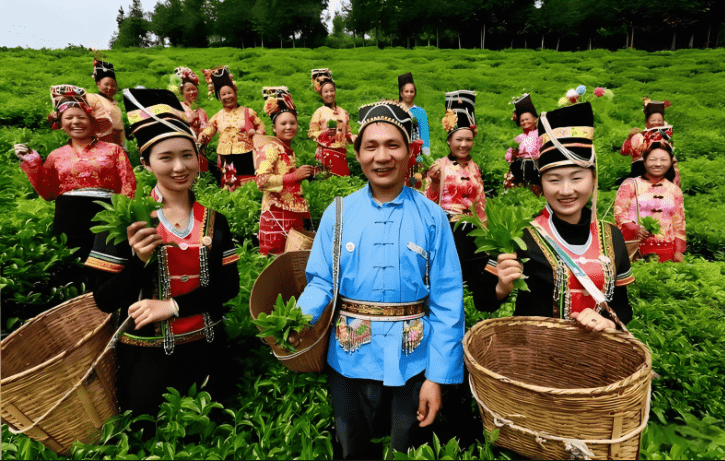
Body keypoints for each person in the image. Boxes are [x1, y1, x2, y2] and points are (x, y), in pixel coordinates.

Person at [297, 100, 465, 459]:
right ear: (357, 154)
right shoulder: (338, 213)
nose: (382, 156)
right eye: (371, 146)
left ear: (409, 153)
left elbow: (447, 301)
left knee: (406, 449)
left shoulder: (433, 216)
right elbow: (321, 282)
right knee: (351, 446)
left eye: (393, 145)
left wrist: (436, 377)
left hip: (414, 362)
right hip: (348, 359)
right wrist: (296, 320)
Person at [85, 89, 240, 421]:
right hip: (148, 360)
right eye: (165, 157)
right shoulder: (125, 218)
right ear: (145, 162)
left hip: (209, 353)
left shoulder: (215, 220)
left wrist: (172, 306)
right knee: (150, 434)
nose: (179, 167)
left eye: (188, 155)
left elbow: (228, 288)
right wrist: (138, 261)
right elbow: (104, 300)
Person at [481, 102, 634, 330]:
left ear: (593, 178)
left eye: (576, 178)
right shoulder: (521, 234)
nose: (565, 190)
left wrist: (609, 322)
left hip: (596, 358)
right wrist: (502, 287)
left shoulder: (612, 236)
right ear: (541, 184)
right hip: (535, 357)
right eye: (553, 180)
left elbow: (622, 305)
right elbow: (484, 302)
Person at [15, 85, 135, 263]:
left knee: (107, 266)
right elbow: (48, 194)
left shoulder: (114, 150)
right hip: (67, 219)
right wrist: (33, 163)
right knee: (74, 267)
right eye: (69, 118)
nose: (76, 122)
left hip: (107, 217)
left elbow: (128, 186)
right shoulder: (56, 155)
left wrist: (123, 218)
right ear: (61, 124)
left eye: (81, 117)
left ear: (92, 121)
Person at [425, 90, 488, 304]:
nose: (464, 144)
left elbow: (481, 202)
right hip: (448, 229)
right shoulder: (439, 166)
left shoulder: (475, 167)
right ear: (449, 140)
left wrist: (485, 231)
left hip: (471, 230)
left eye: (468, 139)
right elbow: (429, 201)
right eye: (459, 139)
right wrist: (433, 182)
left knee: (471, 280)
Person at [254, 87, 313, 255]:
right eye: (283, 124)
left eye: (292, 123)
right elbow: (261, 181)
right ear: (274, 127)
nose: (289, 127)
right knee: (279, 265)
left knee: (294, 264)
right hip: (275, 216)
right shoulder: (270, 148)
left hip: (292, 214)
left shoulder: (286, 150)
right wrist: (295, 176)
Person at [614, 141, 685, 263]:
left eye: (663, 160)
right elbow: (619, 213)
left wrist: (678, 251)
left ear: (670, 162)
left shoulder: (675, 190)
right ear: (645, 161)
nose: (658, 164)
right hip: (634, 248)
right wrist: (634, 228)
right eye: (653, 159)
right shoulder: (630, 185)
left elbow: (679, 224)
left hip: (666, 249)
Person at [198, 65, 266, 191]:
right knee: (228, 183)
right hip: (225, 156)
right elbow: (209, 130)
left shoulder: (248, 112)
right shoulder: (217, 116)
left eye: (229, 93)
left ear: (235, 93)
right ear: (219, 97)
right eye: (223, 94)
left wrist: (258, 133)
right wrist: (203, 136)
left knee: (248, 184)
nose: (227, 96)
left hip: (246, 153)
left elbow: (261, 125)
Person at [620, 97, 680, 187]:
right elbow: (624, 151)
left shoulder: (664, 134)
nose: (656, 123)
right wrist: (630, 138)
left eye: (659, 120)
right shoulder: (640, 135)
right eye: (653, 120)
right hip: (641, 167)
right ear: (647, 121)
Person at [308, 68, 355, 177]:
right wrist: (325, 134)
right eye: (326, 92)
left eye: (331, 90)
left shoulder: (344, 112)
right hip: (325, 155)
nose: (329, 94)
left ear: (335, 91)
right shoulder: (319, 112)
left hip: (341, 155)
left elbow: (347, 133)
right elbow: (311, 134)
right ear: (321, 94)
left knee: (343, 182)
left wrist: (353, 138)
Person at [169, 66, 212, 175]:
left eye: (194, 89)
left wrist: (204, 135)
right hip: (183, 150)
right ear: (182, 92)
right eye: (188, 90)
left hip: (200, 151)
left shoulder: (201, 111)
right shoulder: (178, 108)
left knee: (202, 179)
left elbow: (206, 128)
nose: (192, 92)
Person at [504, 93, 542, 196]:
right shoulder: (521, 137)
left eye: (527, 119)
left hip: (534, 165)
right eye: (522, 120)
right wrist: (511, 155)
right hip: (520, 165)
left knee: (534, 186)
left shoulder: (539, 134)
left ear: (534, 120)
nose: (525, 122)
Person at [86, 59, 126, 148]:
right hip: (99, 145)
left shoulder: (115, 105)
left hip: (117, 146)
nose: (110, 88)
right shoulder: (91, 98)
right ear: (98, 84)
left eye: (113, 85)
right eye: (106, 84)